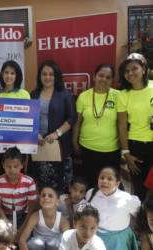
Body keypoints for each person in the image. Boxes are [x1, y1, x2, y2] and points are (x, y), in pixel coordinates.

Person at [29, 60, 77, 192]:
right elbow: (29, 118)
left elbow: (72, 118)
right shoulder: (33, 94)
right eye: (44, 74)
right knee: (41, 186)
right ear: (40, 76)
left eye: (51, 74)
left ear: (56, 76)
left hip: (59, 145)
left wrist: (57, 134)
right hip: (39, 144)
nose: (47, 77)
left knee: (60, 186)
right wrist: (35, 134)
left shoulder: (65, 95)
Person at [72, 64, 120, 188]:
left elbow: (122, 124)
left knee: (109, 187)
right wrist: (75, 143)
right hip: (87, 149)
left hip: (111, 150)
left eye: (108, 77)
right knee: (91, 185)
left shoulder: (118, 96)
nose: (104, 79)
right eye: (101, 75)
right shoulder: (84, 96)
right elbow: (77, 123)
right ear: (94, 76)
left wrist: (125, 149)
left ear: (112, 80)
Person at [117, 53, 153, 200]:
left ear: (144, 69)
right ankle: (141, 221)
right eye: (126, 71)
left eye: (134, 69)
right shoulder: (123, 95)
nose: (130, 73)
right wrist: (126, 153)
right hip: (135, 147)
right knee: (139, 190)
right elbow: (122, 126)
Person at [86, 166, 141, 250]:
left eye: (109, 179)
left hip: (118, 240)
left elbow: (139, 215)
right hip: (96, 235)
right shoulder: (91, 193)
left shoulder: (127, 199)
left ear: (117, 183)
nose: (104, 181)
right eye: (102, 177)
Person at [0, 146, 37, 230]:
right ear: (3, 166)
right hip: (4, 215)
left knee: (24, 236)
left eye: (15, 166)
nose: (12, 170)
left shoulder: (29, 182)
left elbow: (32, 207)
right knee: (3, 236)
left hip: (23, 215)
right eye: (8, 166)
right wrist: (6, 222)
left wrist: (23, 227)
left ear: (22, 166)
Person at [19, 185, 70, 250]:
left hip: (55, 247)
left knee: (54, 245)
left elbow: (68, 242)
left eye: (50, 196)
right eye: (43, 195)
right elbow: (22, 240)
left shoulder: (63, 220)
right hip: (38, 246)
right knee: (34, 244)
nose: (46, 197)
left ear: (58, 202)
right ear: (40, 200)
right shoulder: (35, 216)